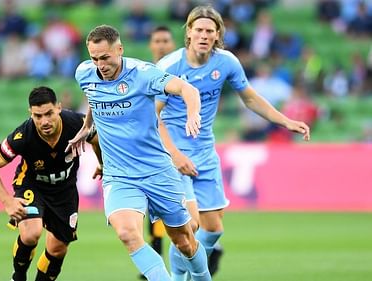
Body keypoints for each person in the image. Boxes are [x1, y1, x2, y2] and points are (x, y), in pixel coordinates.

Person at [155, 6, 311, 281]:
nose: (204, 35)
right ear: (188, 32)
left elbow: (250, 98)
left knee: (213, 230)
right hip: (173, 158)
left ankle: (184, 272)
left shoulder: (226, 62)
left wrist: (285, 121)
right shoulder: (168, 67)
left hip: (205, 153)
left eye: (209, 31)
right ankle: (180, 279)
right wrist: (174, 154)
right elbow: (153, 118)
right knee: (189, 226)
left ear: (218, 35)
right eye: (199, 30)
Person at [67, 24, 211, 281]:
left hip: (157, 171)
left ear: (119, 50)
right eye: (95, 58)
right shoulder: (84, 73)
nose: (100, 64)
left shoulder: (143, 74)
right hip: (120, 176)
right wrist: (87, 126)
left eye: (106, 57)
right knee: (127, 234)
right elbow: (93, 95)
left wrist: (193, 113)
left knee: (184, 241)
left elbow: (187, 89)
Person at [0, 86, 102, 281]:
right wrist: (7, 202)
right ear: (31, 114)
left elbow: (97, 140)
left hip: (65, 190)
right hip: (32, 185)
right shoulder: (23, 136)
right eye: (38, 116)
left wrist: (101, 164)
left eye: (49, 114)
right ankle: (18, 276)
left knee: (58, 249)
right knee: (31, 233)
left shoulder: (76, 123)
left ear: (59, 108)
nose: (44, 121)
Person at [137, 25, 176, 280]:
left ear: (172, 44)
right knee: (152, 209)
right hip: (149, 147)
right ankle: (158, 263)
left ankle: (209, 245)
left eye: (165, 40)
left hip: (176, 146)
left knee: (177, 211)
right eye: (157, 40)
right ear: (151, 45)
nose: (161, 45)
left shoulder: (176, 73)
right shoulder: (142, 74)